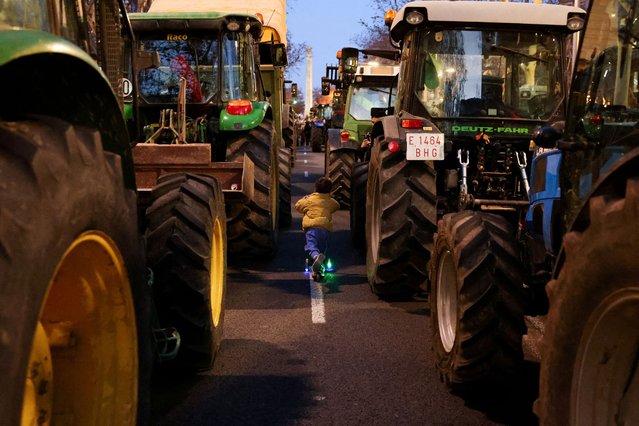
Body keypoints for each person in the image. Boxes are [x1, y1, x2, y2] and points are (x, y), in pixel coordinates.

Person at [294, 177, 340, 281]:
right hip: (324, 229)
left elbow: (298, 206)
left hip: (312, 228)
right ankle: (319, 268)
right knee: (322, 248)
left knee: (312, 246)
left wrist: (305, 198)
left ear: (315, 188)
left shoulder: (310, 199)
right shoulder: (330, 201)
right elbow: (337, 206)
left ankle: (315, 257)